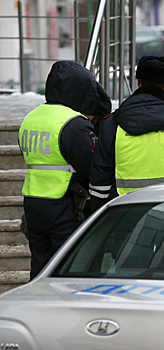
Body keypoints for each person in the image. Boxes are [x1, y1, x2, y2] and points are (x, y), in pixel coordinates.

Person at [18, 60, 111, 280]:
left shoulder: (31, 118)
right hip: (63, 204)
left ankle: (38, 309)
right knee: (67, 267)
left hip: (33, 202)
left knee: (40, 265)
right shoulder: (73, 123)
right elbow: (91, 166)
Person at [88, 55, 164, 211]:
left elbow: (100, 177)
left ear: (138, 83)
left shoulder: (111, 125)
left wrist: (99, 218)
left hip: (123, 213)